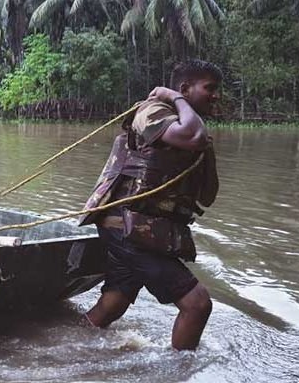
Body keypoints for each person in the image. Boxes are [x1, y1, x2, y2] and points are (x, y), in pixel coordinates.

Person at [79, 59, 221, 351]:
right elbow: (190, 136)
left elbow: (207, 195)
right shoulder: (152, 110)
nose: (215, 96)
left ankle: (64, 341)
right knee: (197, 304)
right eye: (209, 88)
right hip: (128, 226)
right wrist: (174, 98)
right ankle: (179, 371)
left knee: (113, 304)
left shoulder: (194, 129)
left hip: (142, 228)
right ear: (184, 88)